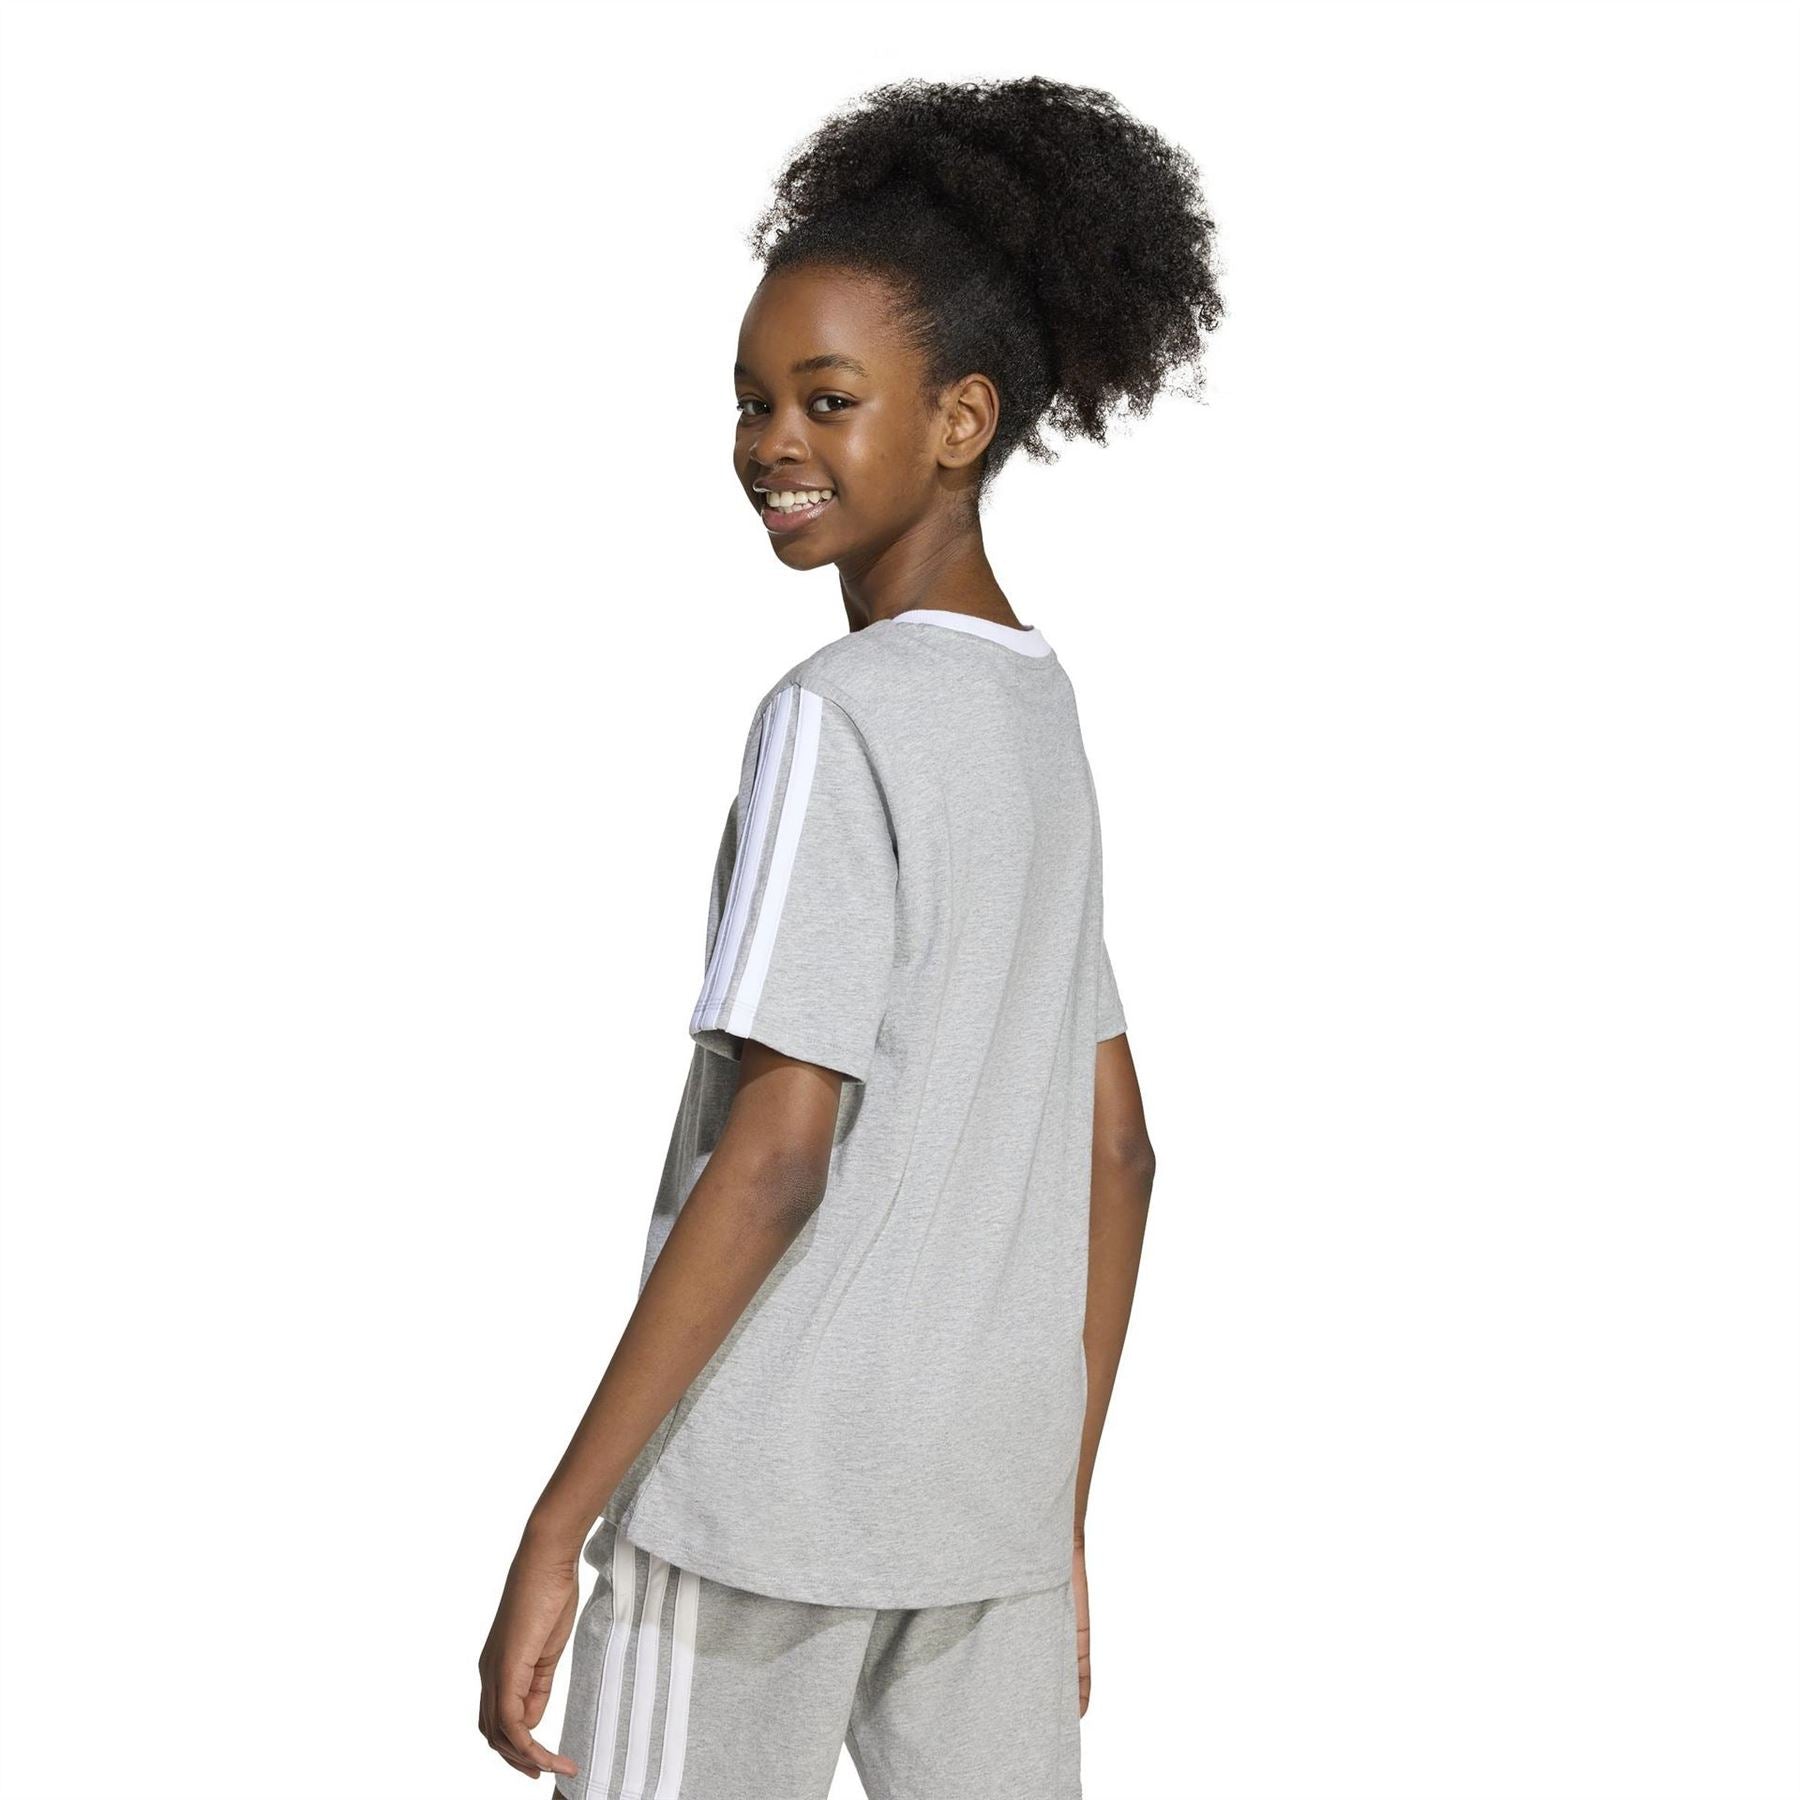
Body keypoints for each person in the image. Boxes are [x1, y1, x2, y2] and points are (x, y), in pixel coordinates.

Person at [477, 73, 1222, 1800]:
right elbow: (1119, 1150)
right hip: (985, 1513)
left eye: (827, 399)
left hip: (762, 1499)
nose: (769, 444)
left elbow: (775, 1156)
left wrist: (560, 1519)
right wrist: (1055, 1510)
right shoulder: (1039, 716)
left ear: (961, 419)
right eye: (750, 401)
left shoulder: (836, 715)